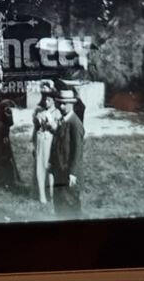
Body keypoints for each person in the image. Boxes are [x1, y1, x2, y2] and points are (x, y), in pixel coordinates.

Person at [50, 87, 85, 215]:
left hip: (69, 173)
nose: (62, 106)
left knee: (71, 204)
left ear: (72, 104)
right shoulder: (62, 120)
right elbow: (56, 144)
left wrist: (73, 173)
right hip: (59, 169)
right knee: (59, 203)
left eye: (65, 104)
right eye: (60, 103)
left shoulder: (75, 124)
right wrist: (51, 162)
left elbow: (77, 151)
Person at [32, 81, 61, 203]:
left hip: (50, 141)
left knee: (49, 166)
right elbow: (35, 127)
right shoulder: (40, 111)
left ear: (54, 100)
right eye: (45, 99)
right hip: (40, 140)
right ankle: (42, 195)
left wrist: (51, 123)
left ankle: (52, 194)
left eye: (49, 100)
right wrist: (37, 119)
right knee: (40, 167)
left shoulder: (57, 112)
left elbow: (58, 129)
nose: (46, 102)